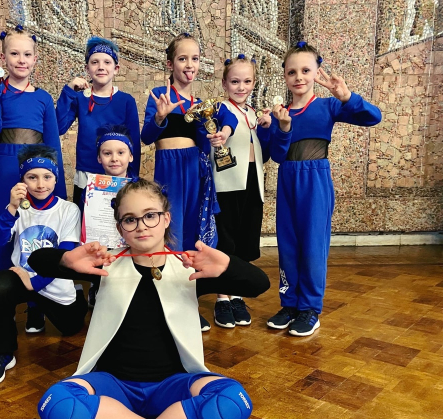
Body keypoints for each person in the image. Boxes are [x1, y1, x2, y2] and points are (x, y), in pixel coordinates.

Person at [27, 178, 270, 419]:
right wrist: (65, 259)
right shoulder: (104, 266)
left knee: (234, 400)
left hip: (174, 386)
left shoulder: (189, 269)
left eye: (150, 215)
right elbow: (37, 261)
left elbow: (260, 284)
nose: (141, 226)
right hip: (113, 387)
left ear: (166, 218)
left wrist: (228, 266)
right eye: (129, 219)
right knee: (55, 405)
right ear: (120, 228)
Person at [265, 41, 382, 336]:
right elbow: (277, 156)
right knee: (288, 244)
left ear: (317, 72)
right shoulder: (281, 113)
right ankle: (290, 304)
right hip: (287, 179)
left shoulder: (328, 106)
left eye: (306, 70)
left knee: (313, 245)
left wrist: (347, 97)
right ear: (285, 76)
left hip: (315, 180)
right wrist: (283, 128)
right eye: (292, 72)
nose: (299, 77)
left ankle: (309, 309)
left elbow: (374, 117)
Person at [141, 32, 237, 331]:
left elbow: (228, 118)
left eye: (194, 58)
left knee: (194, 233)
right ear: (170, 64)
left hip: (195, 170)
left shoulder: (201, 104)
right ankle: (171, 301)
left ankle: (189, 300)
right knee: (173, 232)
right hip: (169, 170)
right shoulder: (160, 95)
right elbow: (146, 137)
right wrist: (160, 118)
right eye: (182, 58)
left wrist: (223, 133)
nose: (189, 64)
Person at [0, 145, 87, 386]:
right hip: (23, 278)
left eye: (47, 177)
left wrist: (34, 283)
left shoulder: (68, 210)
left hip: (53, 283)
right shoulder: (17, 208)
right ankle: (1, 353)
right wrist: (11, 208)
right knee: (0, 284)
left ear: (56, 179)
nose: (40, 184)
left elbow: (64, 257)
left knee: (71, 327)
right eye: (32, 177)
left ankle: (73, 296)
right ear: (23, 180)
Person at [0, 25, 66, 271]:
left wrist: (59, 189)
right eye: (14, 54)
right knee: (7, 220)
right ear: (3, 57)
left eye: (27, 54)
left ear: (35, 59)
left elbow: (53, 145)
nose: (21, 60)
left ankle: (38, 288)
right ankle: (4, 282)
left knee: (38, 225)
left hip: (38, 167)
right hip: (7, 164)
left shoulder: (43, 98)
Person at [212, 54, 273, 328]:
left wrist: (268, 129)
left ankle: (236, 293)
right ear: (225, 83)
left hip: (252, 181)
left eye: (247, 81)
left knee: (245, 238)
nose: (241, 87)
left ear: (254, 83)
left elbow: (265, 154)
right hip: (226, 183)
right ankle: (222, 297)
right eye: (235, 81)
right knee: (226, 239)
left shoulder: (254, 114)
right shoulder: (218, 110)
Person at [56, 37, 141, 209]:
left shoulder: (126, 101)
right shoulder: (80, 98)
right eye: (95, 62)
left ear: (116, 69)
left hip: (118, 177)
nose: (101, 67)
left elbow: (134, 143)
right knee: (84, 223)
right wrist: (68, 91)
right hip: (86, 175)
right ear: (87, 68)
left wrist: (132, 178)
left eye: (107, 62)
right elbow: (58, 127)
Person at [79, 124, 135, 307]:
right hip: (101, 247)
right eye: (107, 153)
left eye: (121, 152)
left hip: (130, 246)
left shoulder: (140, 188)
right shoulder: (89, 190)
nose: (114, 158)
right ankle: (96, 287)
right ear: (99, 158)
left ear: (131, 156)